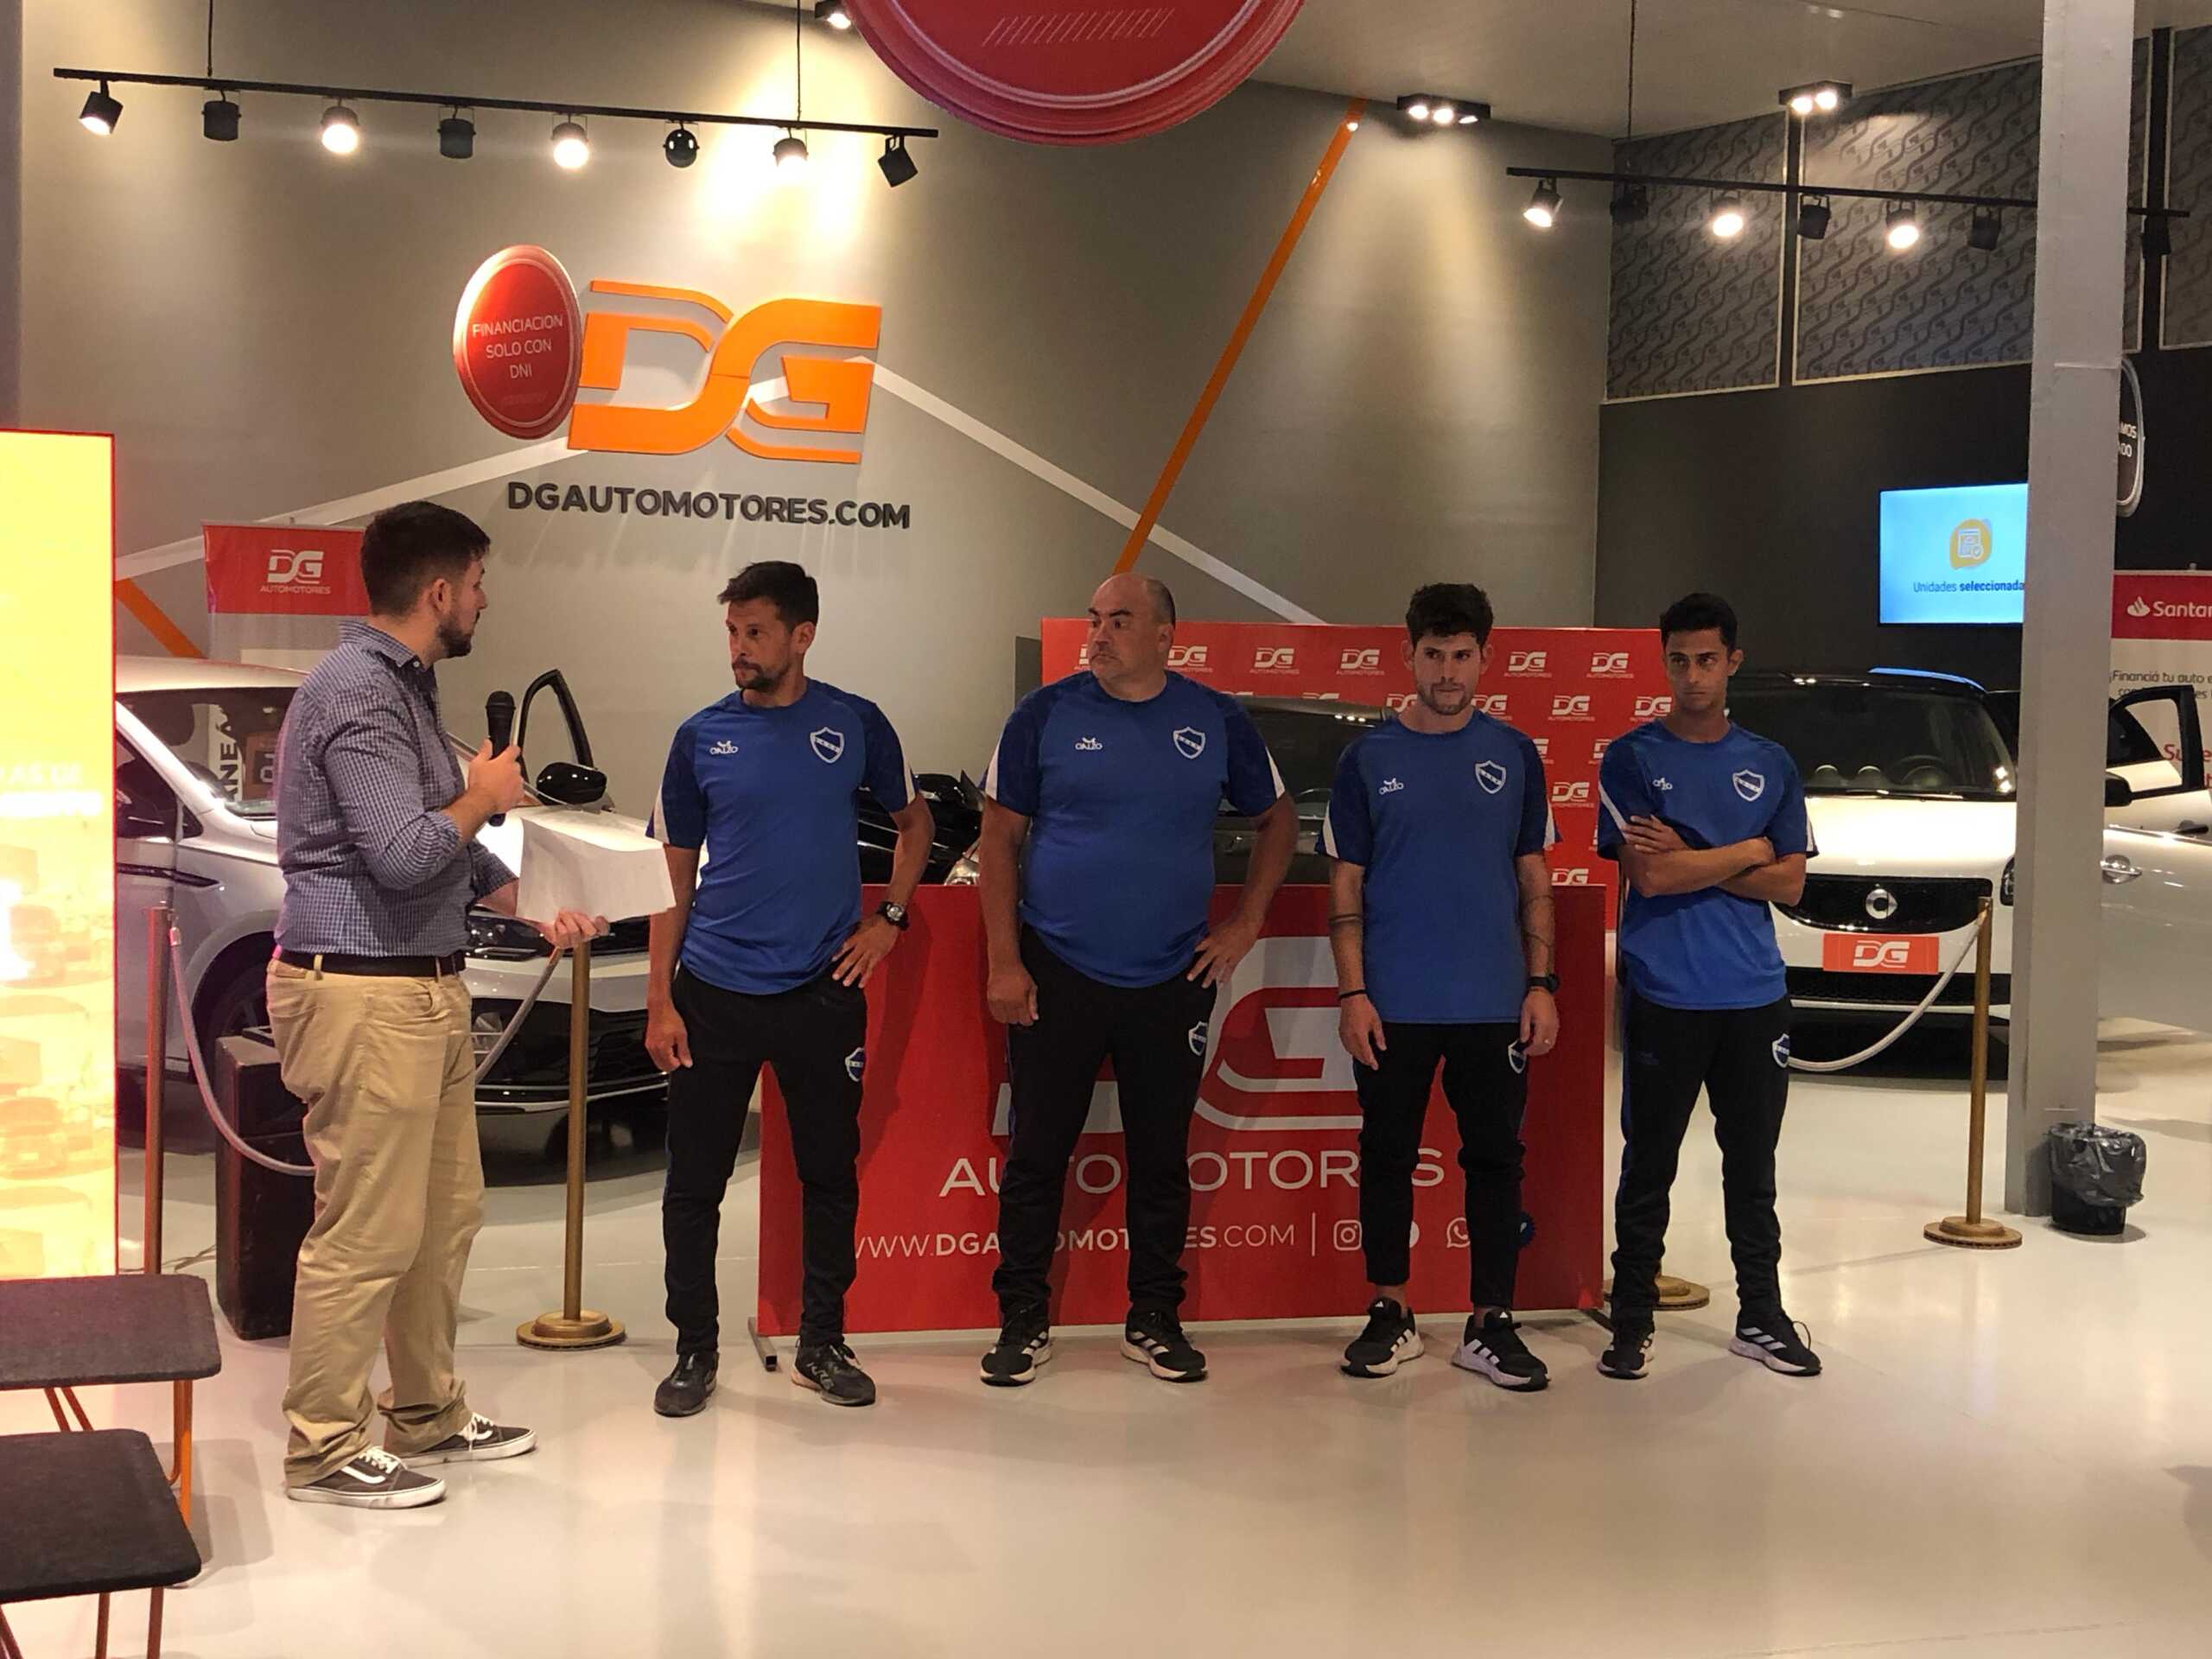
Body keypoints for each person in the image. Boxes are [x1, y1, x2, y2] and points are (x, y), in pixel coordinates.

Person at [268, 500, 603, 1510]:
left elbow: (443, 860)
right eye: (480, 583)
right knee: (367, 1231)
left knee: (443, 1217)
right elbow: (406, 851)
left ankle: (425, 1410)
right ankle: (322, 1446)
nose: (485, 601)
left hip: (419, 988)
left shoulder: (404, 690)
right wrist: (485, 795)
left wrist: (532, 903)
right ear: (441, 590)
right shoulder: (355, 693)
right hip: (363, 994)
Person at [975, 573, 1296, 1387]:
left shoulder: (1215, 718)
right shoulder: (1042, 715)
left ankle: (1154, 1317)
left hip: (1172, 975)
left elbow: (1278, 819)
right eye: (1095, 619)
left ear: (1164, 637)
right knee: (1038, 1153)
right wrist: (1005, 960)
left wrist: (1247, 923)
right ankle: (1021, 1319)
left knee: (1161, 1158)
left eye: (1120, 620)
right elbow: (998, 837)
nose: (1100, 634)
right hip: (1057, 968)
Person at [645, 562, 933, 1414]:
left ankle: (822, 1342)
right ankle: (694, 1350)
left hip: (820, 994)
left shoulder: (856, 723)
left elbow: (915, 823)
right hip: (714, 993)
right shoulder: (699, 737)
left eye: (756, 633)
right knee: (694, 1185)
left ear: (802, 636)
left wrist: (890, 917)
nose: (739, 649)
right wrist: (660, 998)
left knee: (829, 1176)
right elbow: (671, 873)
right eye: (732, 633)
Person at [1323, 583, 1561, 1389]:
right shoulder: (1367, 759)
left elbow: (1533, 877)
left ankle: (1491, 1322)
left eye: (1462, 656)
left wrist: (1541, 983)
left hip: (1493, 1001)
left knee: (1495, 1160)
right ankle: (1390, 1312)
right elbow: (1346, 884)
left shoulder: (1515, 753)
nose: (1448, 671)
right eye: (1434, 654)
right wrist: (1353, 994)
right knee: (1386, 1155)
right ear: (1409, 655)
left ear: (1485, 658)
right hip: (1393, 1002)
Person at [1594, 591, 1820, 1382]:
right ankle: (1631, 1321)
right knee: (1647, 1166)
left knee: (1752, 1170)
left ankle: (1762, 1315)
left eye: (1707, 660)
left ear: (1733, 662)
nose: (1693, 675)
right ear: (1664, 663)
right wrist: (1748, 849)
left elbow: (1791, 884)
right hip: (1665, 995)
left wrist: (1699, 854)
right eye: (1680, 661)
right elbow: (1651, 876)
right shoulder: (1630, 759)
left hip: (1754, 998)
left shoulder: (1771, 763)